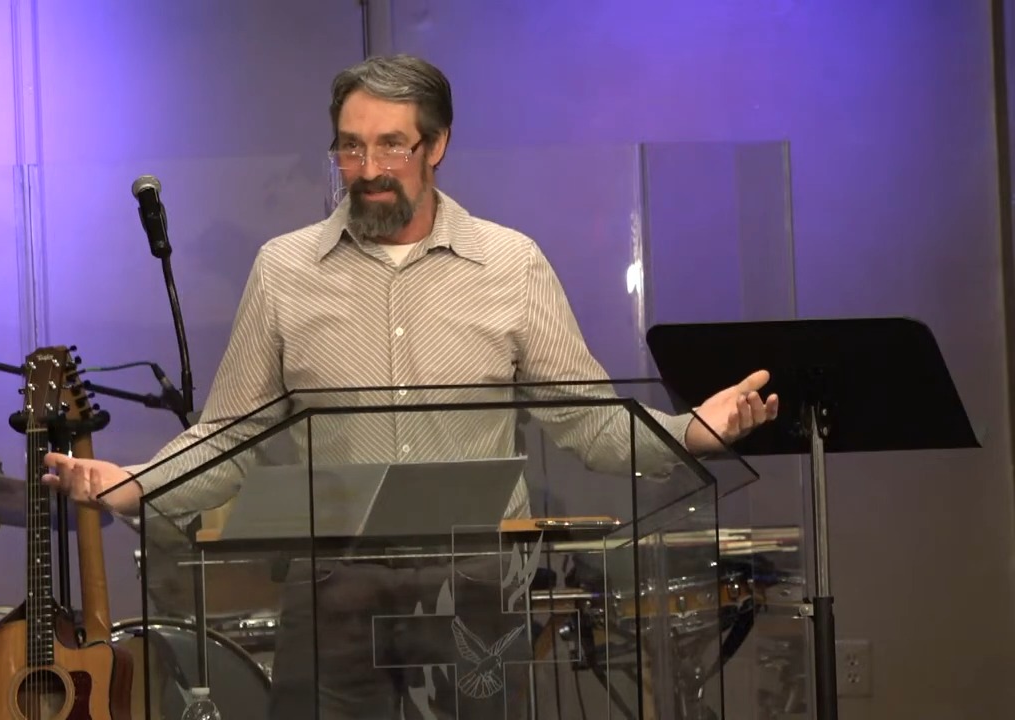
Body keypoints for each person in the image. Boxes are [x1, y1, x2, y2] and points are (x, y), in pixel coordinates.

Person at [44, 54, 779, 718]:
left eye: (392, 145)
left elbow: (588, 420)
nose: (368, 168)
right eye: (350, 146)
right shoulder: (284, 271)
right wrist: (136, 484)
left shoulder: (511, 265)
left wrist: (691, 432)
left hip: (477, 585)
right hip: (331, 586)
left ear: (437, 145)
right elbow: (231, 435)